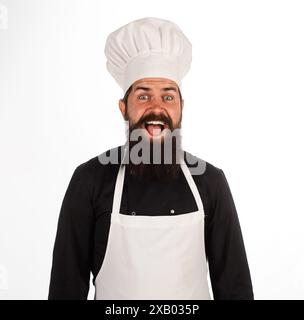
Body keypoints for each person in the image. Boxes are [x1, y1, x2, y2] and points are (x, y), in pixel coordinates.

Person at [48, 17, 254, 300]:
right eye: (143, 96)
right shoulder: (90, 180)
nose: (156, 107)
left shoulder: (210, 182)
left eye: (168, 98)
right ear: (124, 108)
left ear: (181, 107)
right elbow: (65, 290)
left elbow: (235, 290)